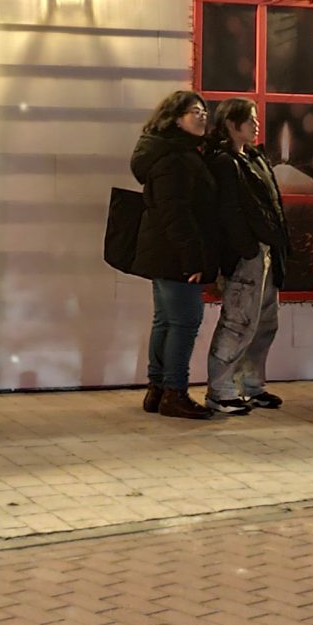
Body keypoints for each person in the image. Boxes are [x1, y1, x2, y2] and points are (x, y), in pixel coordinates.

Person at [131, 90, 218, 421]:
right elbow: (175, 213)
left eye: (204, 111)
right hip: (175, 255)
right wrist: (192, 259)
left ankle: (158, 390)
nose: (202, 116)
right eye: (194, 111)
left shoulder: (173, 153)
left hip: (164, 252)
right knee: (184, 321)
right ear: (174, 118)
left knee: (166, 320)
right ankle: (174, 392)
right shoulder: (175, 159)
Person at [202, 97, 289, 416]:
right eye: (249, 119)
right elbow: (228, 211)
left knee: (265, 321)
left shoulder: (253, 157)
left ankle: (250, 384)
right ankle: (221, 388)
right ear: (230, 124)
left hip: (266, 251)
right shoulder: (225, 162)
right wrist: (248, 248)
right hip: (246, 255)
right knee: (239, 321)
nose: (256, 124)